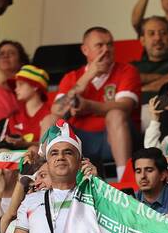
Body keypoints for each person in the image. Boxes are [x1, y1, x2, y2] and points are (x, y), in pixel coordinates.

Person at [53, 27, 141, 175]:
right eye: (100, 45)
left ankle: (124, 179)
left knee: (116, 114)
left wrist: (89, 106)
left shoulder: (126, 70)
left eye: (110, 44)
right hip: (79, 139)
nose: (106, 49)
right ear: (85, 50)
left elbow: (125, 106)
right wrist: (87, 77)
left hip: (114, 137)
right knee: (50, 120)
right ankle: (44, 177)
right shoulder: (72, 77)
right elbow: (56, 110)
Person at [1, 64, 52, 146]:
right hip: (11, 153)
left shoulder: (51, 113)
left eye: (20, 84)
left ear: (35, 86)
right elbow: (2, 143)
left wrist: (25, 144)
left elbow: (52, 146)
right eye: (16, 85)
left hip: (38, 154)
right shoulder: (13, 115)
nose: (16, 89)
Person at [133, 16, 168, 102]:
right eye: (151, 33)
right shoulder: (132, 66)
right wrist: (165, 78)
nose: (158, 38)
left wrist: (142, 89)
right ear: (142, 40)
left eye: (163, 33)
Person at [133, 147, 168, 214]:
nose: (143, 176)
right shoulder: (132, 199)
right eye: (138, 171)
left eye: (149, 170)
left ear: (163, 175)